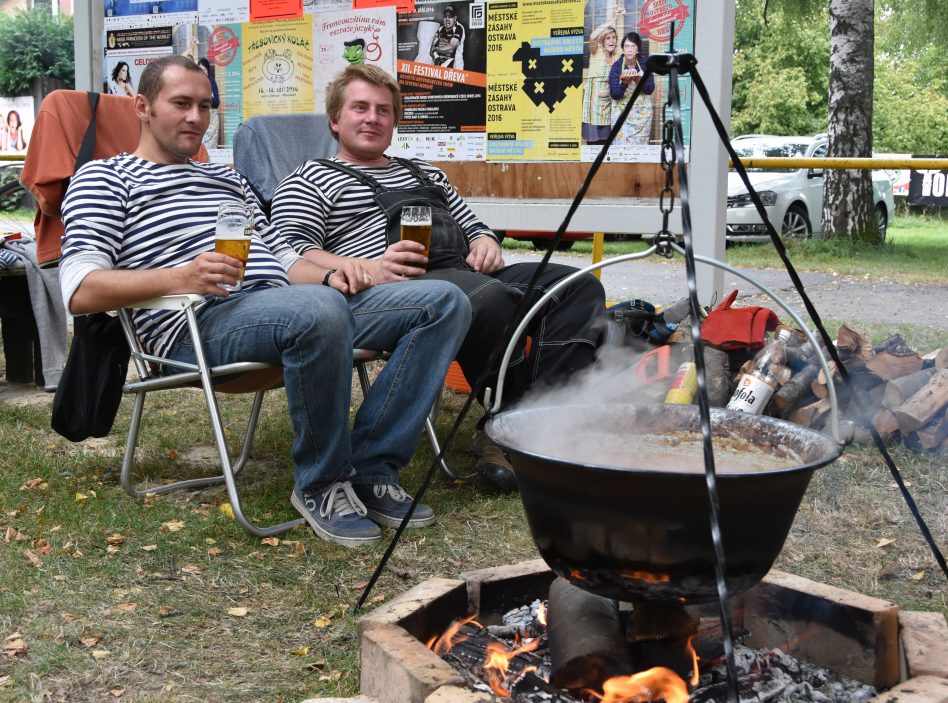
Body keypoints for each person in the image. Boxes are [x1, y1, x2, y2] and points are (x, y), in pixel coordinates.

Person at [59, 55, 471, 547]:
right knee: (315, 310)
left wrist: (332, 274)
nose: (196, 117)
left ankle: (372, 468)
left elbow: (282, 253)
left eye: (205, 106)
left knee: (444, 302)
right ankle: (322, 484)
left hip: (293, 308)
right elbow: (81, 290)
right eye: (181, 104)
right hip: (196, 326)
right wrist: (181, 276)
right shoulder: (105, 178)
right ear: (143, 106)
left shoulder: (229, 179)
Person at [271, 65, 607, 492]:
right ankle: (512, 427)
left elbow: (472, 223)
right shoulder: (310, 178)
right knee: (487, 298)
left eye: (384, 110)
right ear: (335, 120)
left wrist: (486, 241)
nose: (372, 118)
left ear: (395, 121)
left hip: (462, 271)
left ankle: (552, 415)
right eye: (360, 108)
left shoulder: (425, 171)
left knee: (575, 286)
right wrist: (365, 266)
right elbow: (293, 249)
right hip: (388, 291)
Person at [608, 32, 655, 145]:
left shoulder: (645, 64)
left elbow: (650, 89)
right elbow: (614, 94)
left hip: (641, 117)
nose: (629, 50)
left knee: (640, 151)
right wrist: (624, 83)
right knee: (621, 151)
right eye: (626, 46)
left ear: (637, 49)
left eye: (633, 46)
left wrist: (638, 80)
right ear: (623, 49)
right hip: (622, 115)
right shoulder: (616, 67)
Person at [581, 22, 620, 145]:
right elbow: (593, 36)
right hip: (593, 107)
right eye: (608, 38)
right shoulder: (596, 52)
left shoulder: (617, 56)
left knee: (607, 144)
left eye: (614, 38)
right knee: (593, 144)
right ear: (602, 41)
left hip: (608, 105)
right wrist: (613, 19)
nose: (611, 40)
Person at [198, 58, 221, 150]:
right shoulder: (195, 83)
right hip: (199, 119)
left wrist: (204, 97)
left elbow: (216, 102)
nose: (202, 72)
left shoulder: (211, 82)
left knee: (210, 147)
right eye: (200, 70)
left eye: (204, 69)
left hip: (211, 121)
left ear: (207, 70)